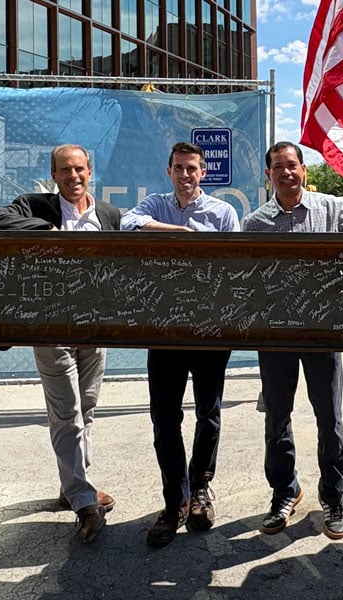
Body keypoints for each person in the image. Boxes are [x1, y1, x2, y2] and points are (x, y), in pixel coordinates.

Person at [0, 144, 121, 544]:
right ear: (54, 176)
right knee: (67, 412)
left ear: (90, 171)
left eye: (79, 169)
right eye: (64, 171)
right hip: (51, 326)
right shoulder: (33, 206)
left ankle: (75, 485)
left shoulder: (108, 215)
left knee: (86, 408)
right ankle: (83, 500)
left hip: (95, 327)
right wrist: (47, 230)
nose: (73, 177)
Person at [242, 141, 343, 540]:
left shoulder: (331, 209)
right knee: (277, 419)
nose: (286, 173)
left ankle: (333, 498)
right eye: (278, 167)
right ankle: (283, 493)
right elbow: (250, 282)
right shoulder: (255, 224)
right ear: (269, 174)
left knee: (330, 419)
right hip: (276, 336)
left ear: (304, 170)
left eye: (292, 165)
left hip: (323, 333)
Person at [120, 142, 241, 548]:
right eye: (179, 169)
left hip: (209, 331)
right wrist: (182, 233)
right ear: (168, 171)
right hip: (165, 330)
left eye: (192, 168)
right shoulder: (156, 205)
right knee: (165, 420)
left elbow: (235, 269)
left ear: (203, 172)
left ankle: (201, 489)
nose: (186, 175)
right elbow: (126, 225)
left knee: (209, 414)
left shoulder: (224, 213)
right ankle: (175, 502)